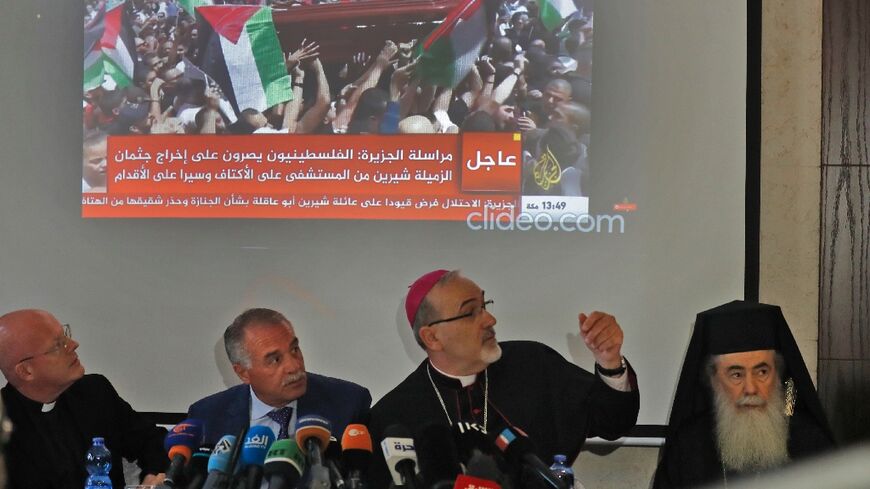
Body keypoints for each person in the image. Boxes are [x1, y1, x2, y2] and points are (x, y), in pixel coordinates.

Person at [368, 270, 639, 488]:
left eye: (484, 305)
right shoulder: (393, 416)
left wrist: (609, 361)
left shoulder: (533, 363)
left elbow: (613, 423)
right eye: (471, 311)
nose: (489, 319)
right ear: (432, 337)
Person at [652, 301, 836, 488]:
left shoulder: (810, 442)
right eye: (736, 375)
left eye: (762, 372)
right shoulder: (689, 446)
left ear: (778, 376)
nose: (750, 388)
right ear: (715, 381)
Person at [0, 309, 167, 489]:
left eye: (66, 335)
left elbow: (153, 440)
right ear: (26, 371)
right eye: (58, 345)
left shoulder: (94, 392)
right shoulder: (4, 423)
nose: (73, 344)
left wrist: (152, 476)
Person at [188, 308, 371, 444]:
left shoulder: (348, 404)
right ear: (243, 372)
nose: (294, 366)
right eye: (275, 359)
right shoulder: (207, 417)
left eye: (294, 349)